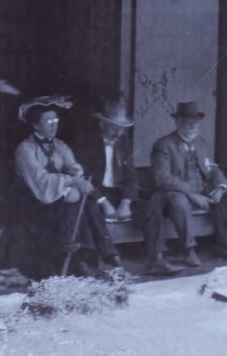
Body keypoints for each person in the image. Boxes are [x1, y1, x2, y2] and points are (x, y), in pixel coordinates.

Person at [5, 95, 122, 277]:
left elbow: (75, 170)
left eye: (56, 120)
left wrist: (73, 184)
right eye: (48, 121)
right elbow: (40, 181)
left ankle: (96, 258)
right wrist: (72, 184)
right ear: (35, 125)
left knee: (85, 202)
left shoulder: (60, 145)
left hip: (57, 196)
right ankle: (95, 258)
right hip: (33, 201)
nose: (54, 125)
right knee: (79, 202)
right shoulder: (25, 149)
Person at [78, 97, 183, 276]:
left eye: (122, 126)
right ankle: (114, 261)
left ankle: (156, 259)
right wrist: (103, 201)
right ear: (102, 124)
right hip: (96, 194)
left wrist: (126, 202)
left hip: (118, 194)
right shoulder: (87, 142)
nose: (119, 131)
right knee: (89, 207)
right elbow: (82, 178)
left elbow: (131, 177)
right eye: (114, 125)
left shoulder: (124, 143)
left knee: (152, 203)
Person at [151, 101, 227, 266]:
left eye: (196, 123)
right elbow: (163, 178)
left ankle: (225, 245)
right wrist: (191, 194)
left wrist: (220, 187)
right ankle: (188, 251)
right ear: (178, 122)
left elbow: (212, 169)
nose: (194, 127)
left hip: (204, 191)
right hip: (179, 195)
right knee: (178, 200)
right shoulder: (164, 145)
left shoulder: (200, 144)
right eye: (189, 123)